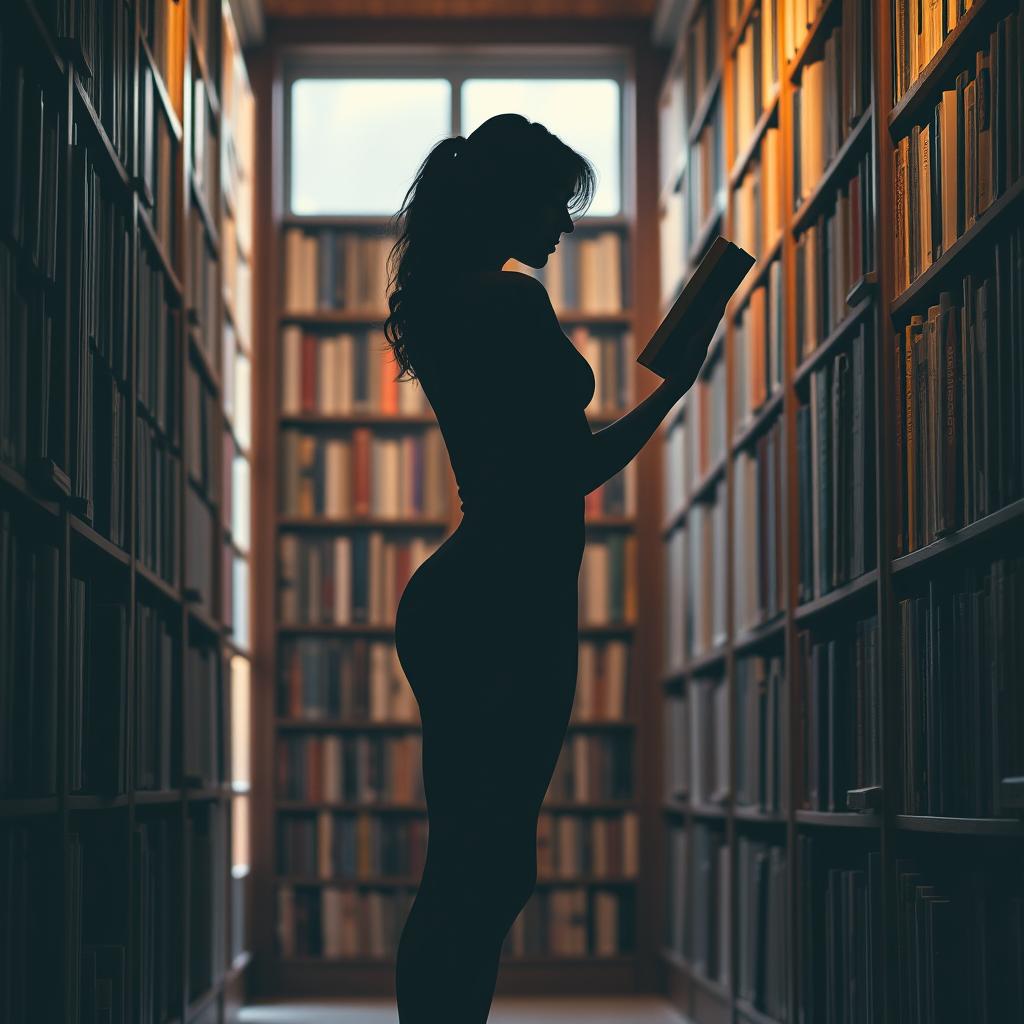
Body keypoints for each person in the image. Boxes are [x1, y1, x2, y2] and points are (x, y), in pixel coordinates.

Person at [383, 113, 721, 1023]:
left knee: (475, 866)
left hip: (482, 596)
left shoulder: (457, 299)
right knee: (481, 871)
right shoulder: (505, 302)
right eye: (557, 204)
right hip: (505, 604)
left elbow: (541, 474)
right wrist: (672, 395)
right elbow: (563, 475)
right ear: (512, 201)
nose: (567, 226)